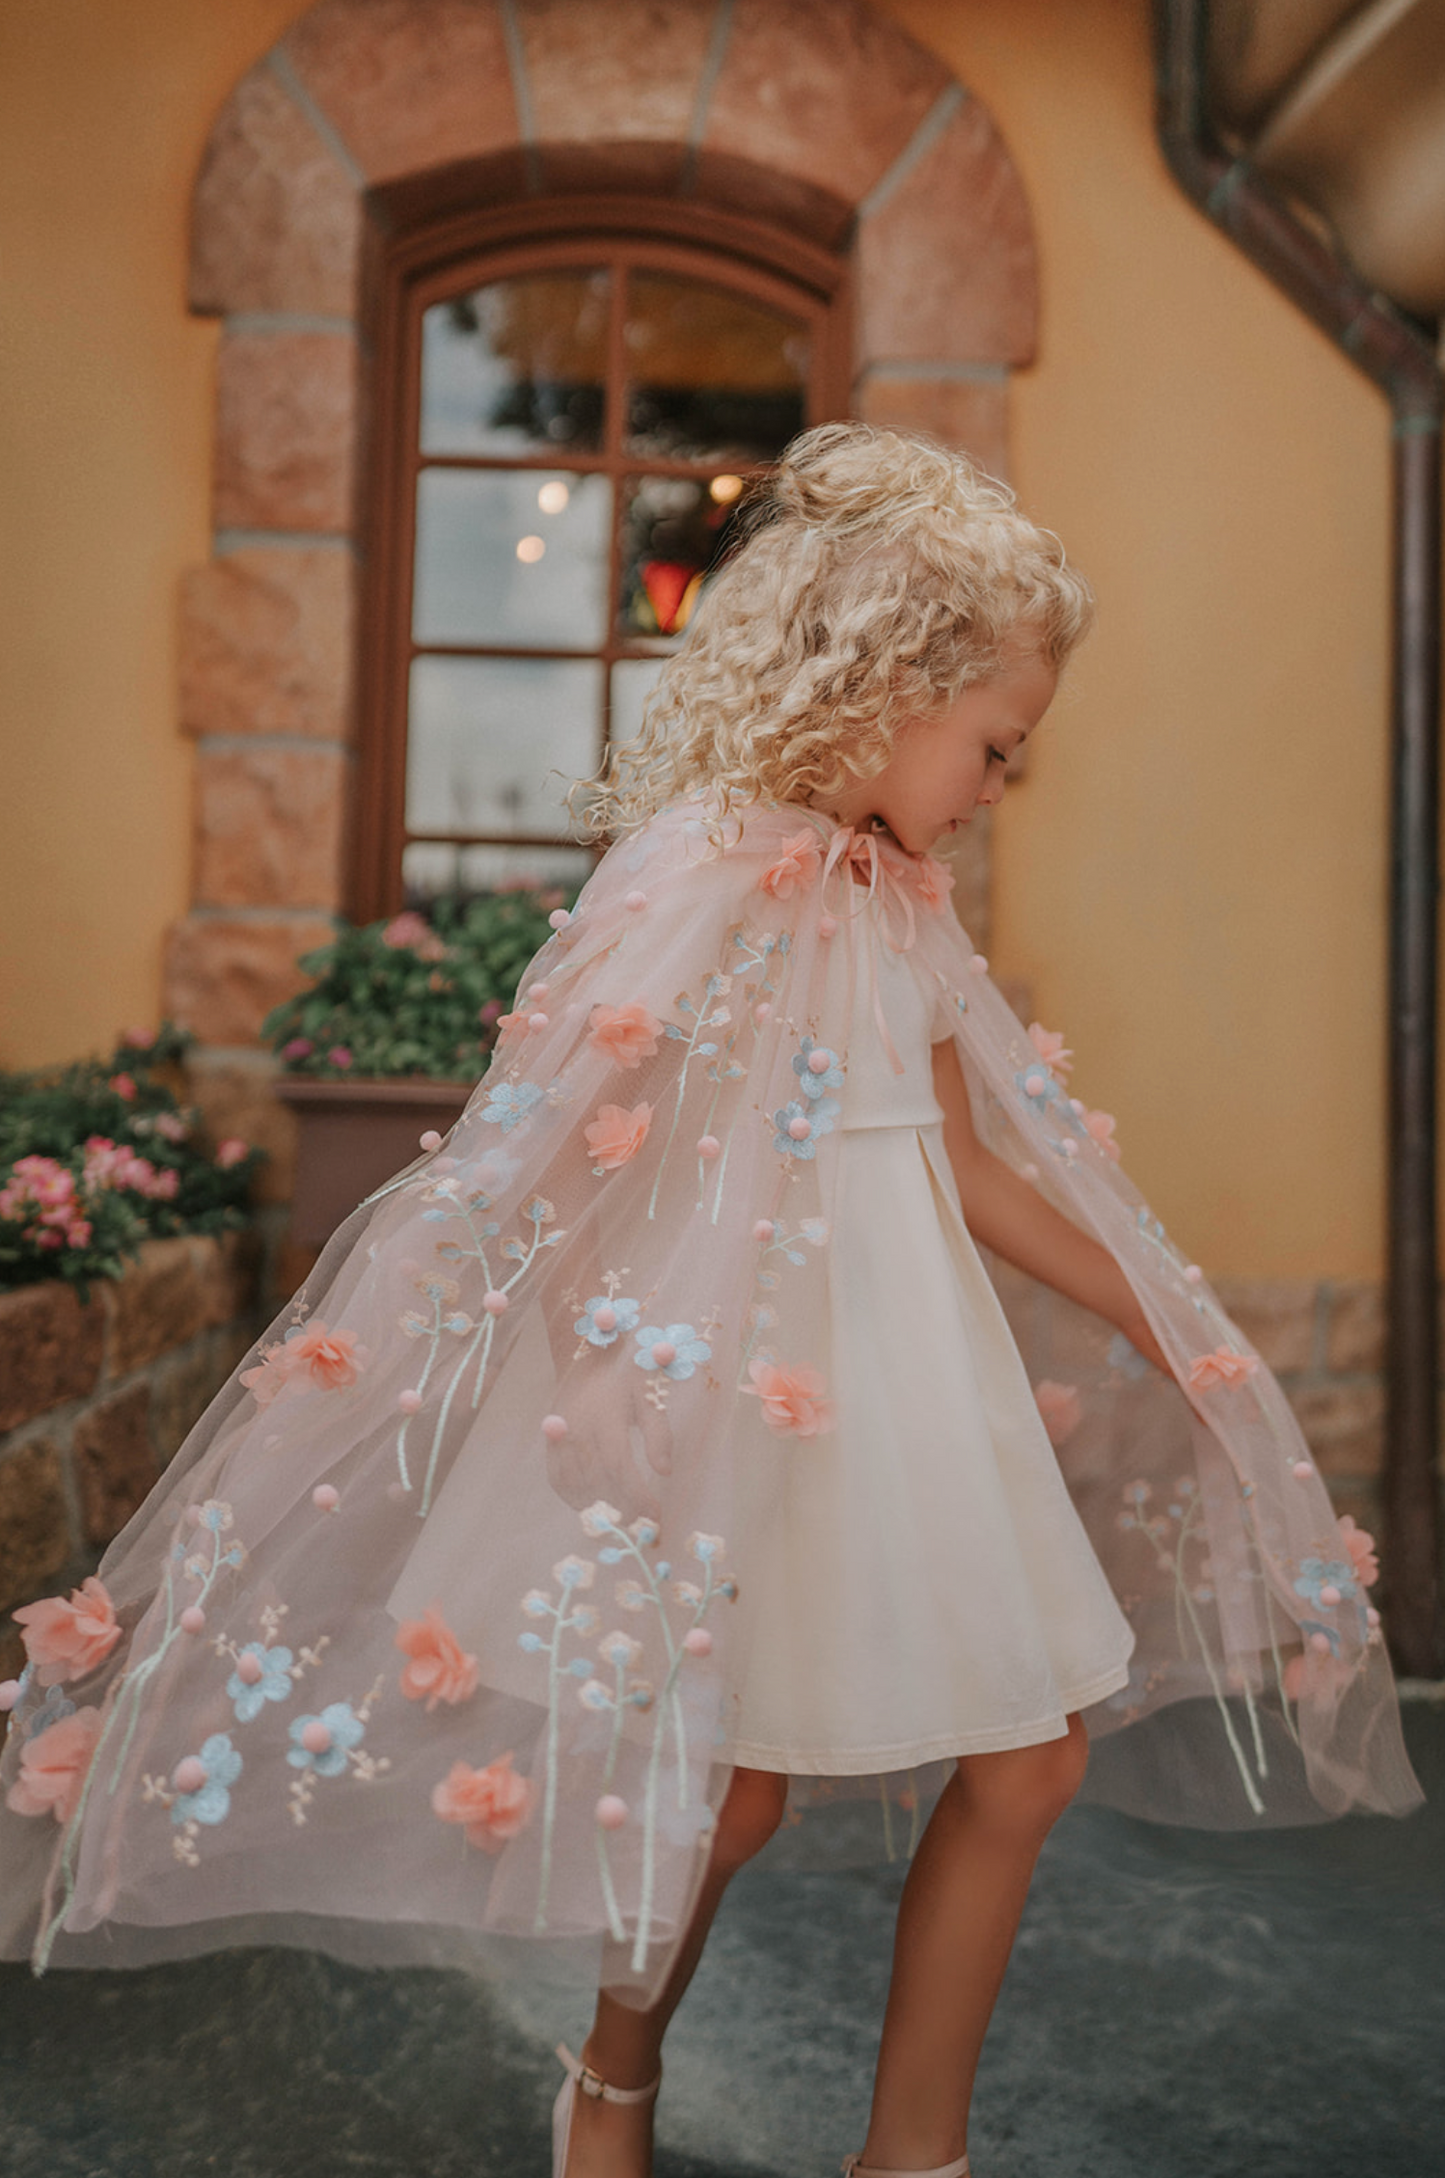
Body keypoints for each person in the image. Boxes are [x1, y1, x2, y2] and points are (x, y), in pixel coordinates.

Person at [0, 425, 1422, 2178]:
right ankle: (612, 2076)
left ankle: (912, 2150)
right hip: (742, 1378)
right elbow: (570, 1148)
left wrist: (1154, 1307)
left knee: (1026, 1759)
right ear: (884, 687)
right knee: (726, 1789)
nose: (1000, 783)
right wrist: (602, 1378)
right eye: (994, 742)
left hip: (913, 1386)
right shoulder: (699, 870)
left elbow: (960, 1159)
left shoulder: (902, 902)